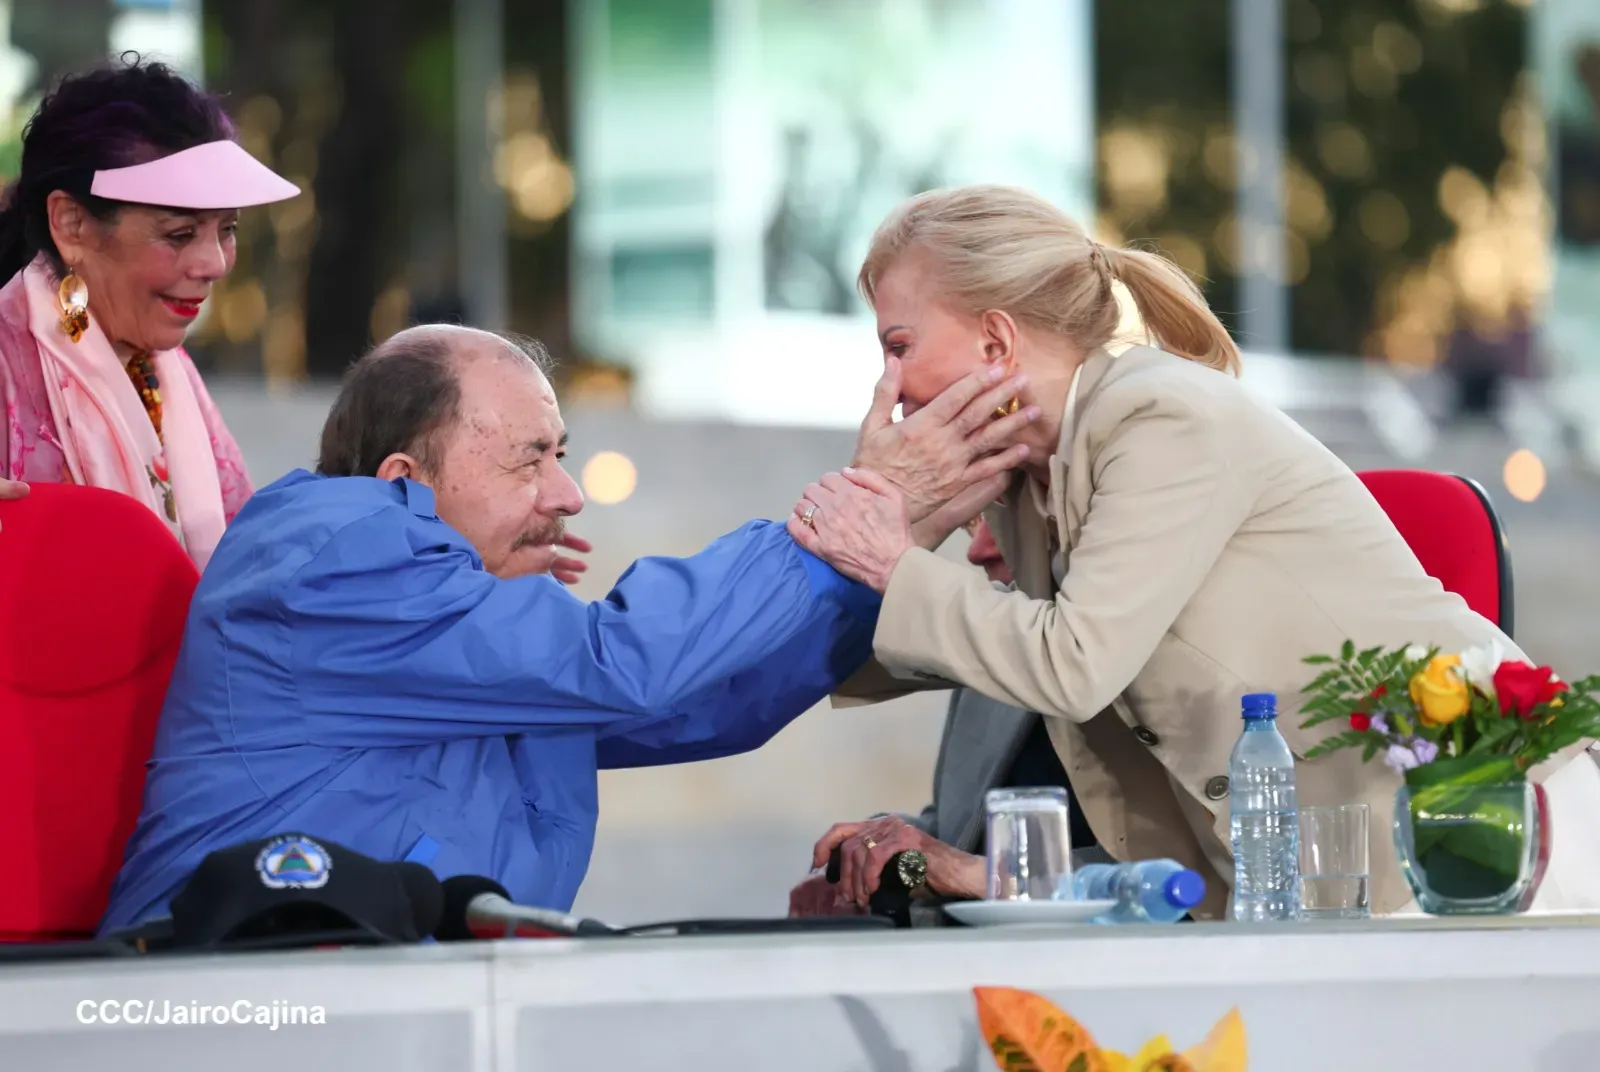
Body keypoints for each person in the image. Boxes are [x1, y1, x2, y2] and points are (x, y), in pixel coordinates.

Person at [785, 184, 1593, 919]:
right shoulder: (1028, 481)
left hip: (1474, 846)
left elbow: (1071, 664)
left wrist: (887, 551)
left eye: (898, 347)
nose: (889, 389)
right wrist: (892, 523)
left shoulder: (1158, 416)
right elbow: (919, 649)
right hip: (1313, 884)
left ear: (996, 342)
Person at [100, 323, 1028, 934]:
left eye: (563, 455)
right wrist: (859, 510)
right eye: (530, 459)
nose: (567, 494)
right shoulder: (335, 555)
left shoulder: (458, 628)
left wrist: (878, 556)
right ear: (403, 482)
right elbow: (629, 667)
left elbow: (702, 705)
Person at [0, 57, 298, 565]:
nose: (215, 264)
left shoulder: (162, 368)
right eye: (179, 234)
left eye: (227, 230)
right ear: (71, 224)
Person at [788, 517, 1106, 920]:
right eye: (974, 524)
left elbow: (1185, 880)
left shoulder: (1176, 676)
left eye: (1010, 512)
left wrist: (968, 872)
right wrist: (871, 869)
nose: (978, 551)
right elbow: (951, 845)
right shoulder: (986, 654)